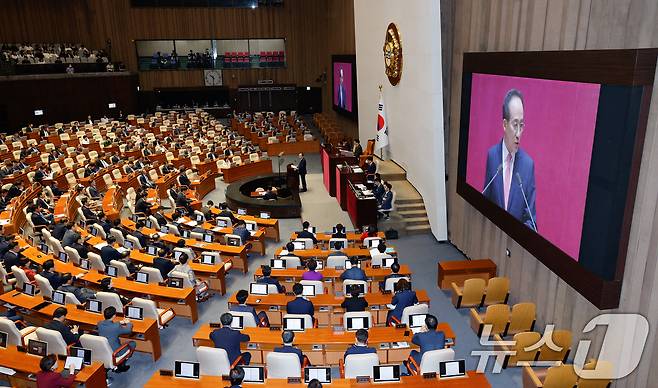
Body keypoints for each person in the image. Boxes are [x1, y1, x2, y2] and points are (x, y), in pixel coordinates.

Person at [482, 88, 537, 231]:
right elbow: (485, 204)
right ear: (505, 124)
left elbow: (531, 220)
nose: (519, 133)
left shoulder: (528, 165)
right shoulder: (492, 156)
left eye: (522, 125)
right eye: (515, 124)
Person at [98, 307, 135, 373]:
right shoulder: (116, 326)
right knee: (132, 343)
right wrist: (129, 323)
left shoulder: (99, 323)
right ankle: (121, 364)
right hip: (115, 352)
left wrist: (119, 322)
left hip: (103, 350)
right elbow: (128, 331)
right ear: (114, 315)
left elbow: (111, 326)